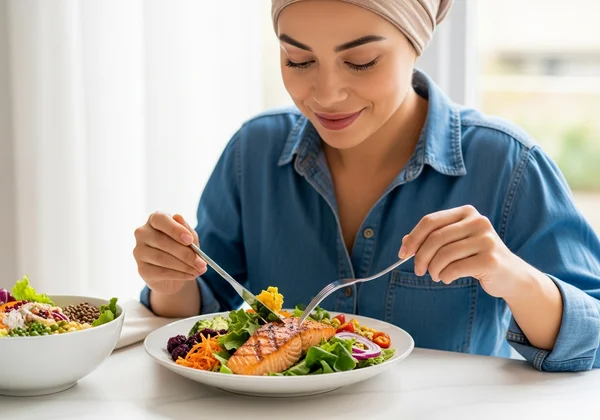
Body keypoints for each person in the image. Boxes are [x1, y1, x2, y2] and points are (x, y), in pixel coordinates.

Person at [132, 0, 600, 372]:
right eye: (298, 60)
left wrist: (514, 279)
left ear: (415, 45)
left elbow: (592, 339)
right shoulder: (252, 152)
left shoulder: (507, 164)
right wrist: (168, 278)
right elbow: (200, 314)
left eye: (360, 62)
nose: (325, 93)